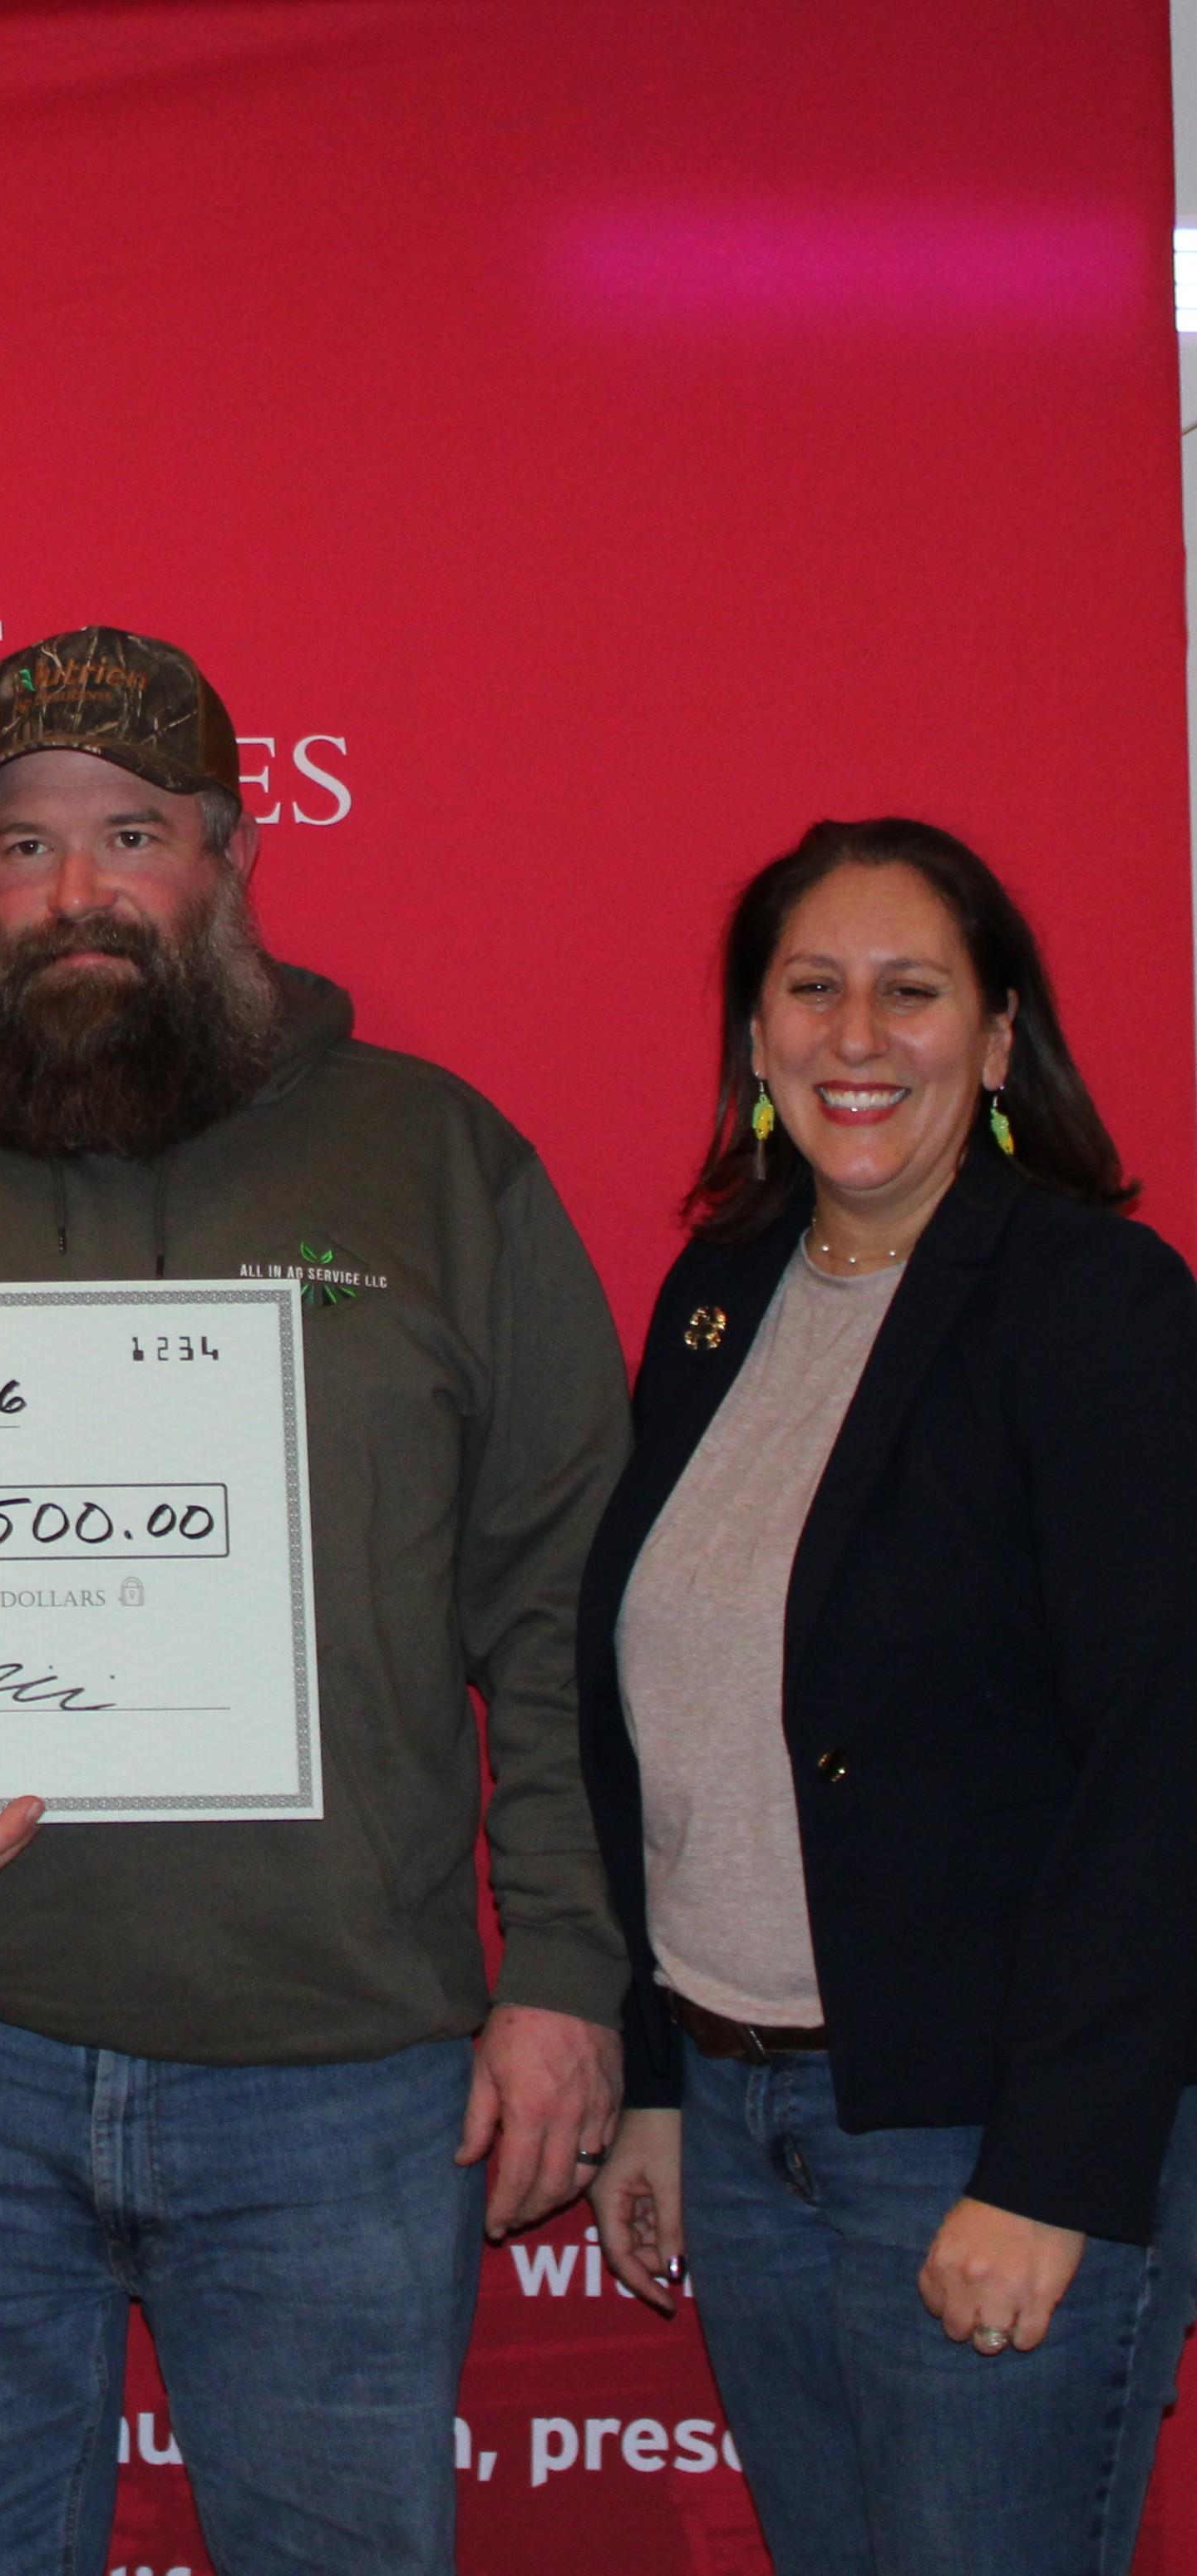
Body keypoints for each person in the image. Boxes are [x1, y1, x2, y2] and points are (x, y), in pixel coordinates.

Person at [0, 625, 633, 2575]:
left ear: (233, 850)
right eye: (19, 849)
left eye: (129, 835)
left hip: (340, 2076)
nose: (73, 896)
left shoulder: (437, 1166)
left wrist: (559, 1968)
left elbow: (556, 1603)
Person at [578, 818, 1197, 2575]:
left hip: (974, 2136)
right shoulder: (716, 1297)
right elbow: (661, 1714)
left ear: (995, 1040)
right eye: (810, 989)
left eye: (909, 992)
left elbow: (1163, 1766)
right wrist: (653, 2079)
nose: (856, 1037)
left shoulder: (1091, 1307)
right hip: (744, 2112)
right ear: (753, 1041)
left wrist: (1052, 2172)